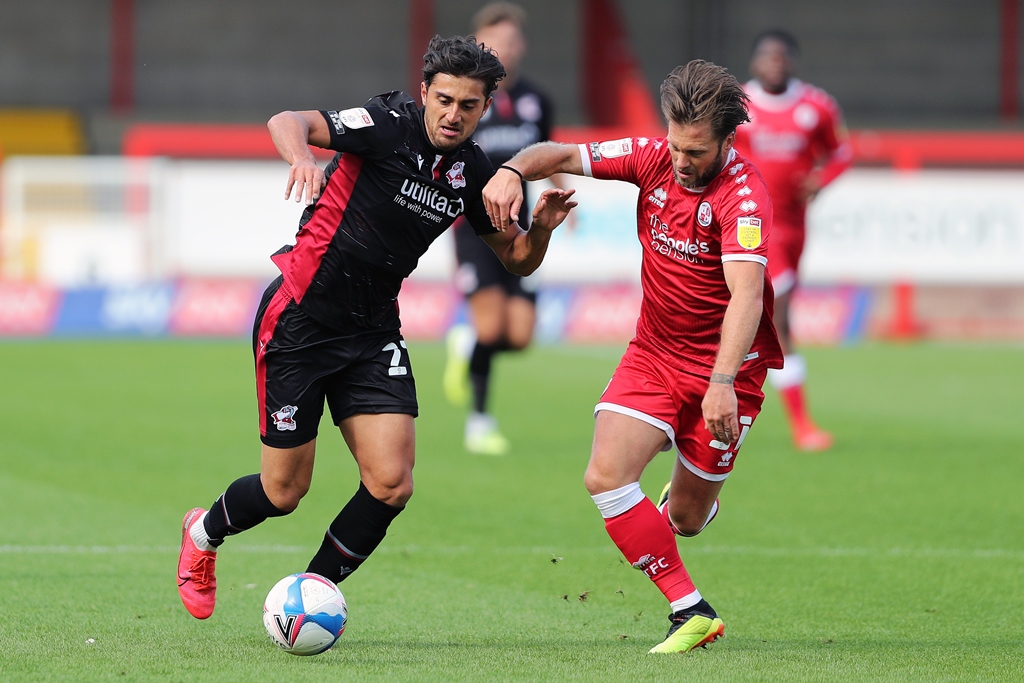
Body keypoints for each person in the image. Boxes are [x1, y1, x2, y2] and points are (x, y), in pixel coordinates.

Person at [176, 35, 576, 621]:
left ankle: (310, 594)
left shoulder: (473, 171)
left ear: (486, 107)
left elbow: (514, 258)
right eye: (443, 100)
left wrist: (539, 230)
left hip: (372, 331)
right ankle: (202, 534)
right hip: (300, 318)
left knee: (391, 482)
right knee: (283, 492)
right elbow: (286, 119)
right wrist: (303, 159)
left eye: (468, 105)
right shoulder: (386, 123)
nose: (453, 114)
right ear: (424, 93)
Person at [482, 60, 783, 653]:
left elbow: (747, 297)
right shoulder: (650, 156)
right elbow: (560, 154)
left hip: (729, 371)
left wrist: (722, 380)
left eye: (696, 151)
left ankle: (686, 504)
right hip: (654, 354)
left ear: (727, 140)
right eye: (676, 145)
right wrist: (512, 172)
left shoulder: (744, 199)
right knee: (605, 476)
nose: (681, 160)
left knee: (686, 521)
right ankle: (690, 609)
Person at [443, 2, 557, 456]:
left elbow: (546, 153)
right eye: (496, 42)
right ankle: (480, 421)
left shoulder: (536, 100)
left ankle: (464, 342)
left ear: (522, 46)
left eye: (511, 41)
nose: (505, 49)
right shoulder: (466, 100)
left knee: (521, 336)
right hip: (473, 229)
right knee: (492, 329)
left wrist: (564, 189)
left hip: (519, 225)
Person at [733, 29, 851, 452]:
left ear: (793, 62)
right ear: (753, 63)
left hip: (795, 226)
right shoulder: (737, 105)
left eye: (782, 56)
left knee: (775, 319)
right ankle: (802, 425)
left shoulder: (815, 106)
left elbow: (840, 153)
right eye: (767, 56)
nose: (775, 62)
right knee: (779, 319)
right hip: (752, 224)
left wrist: (822, 180)